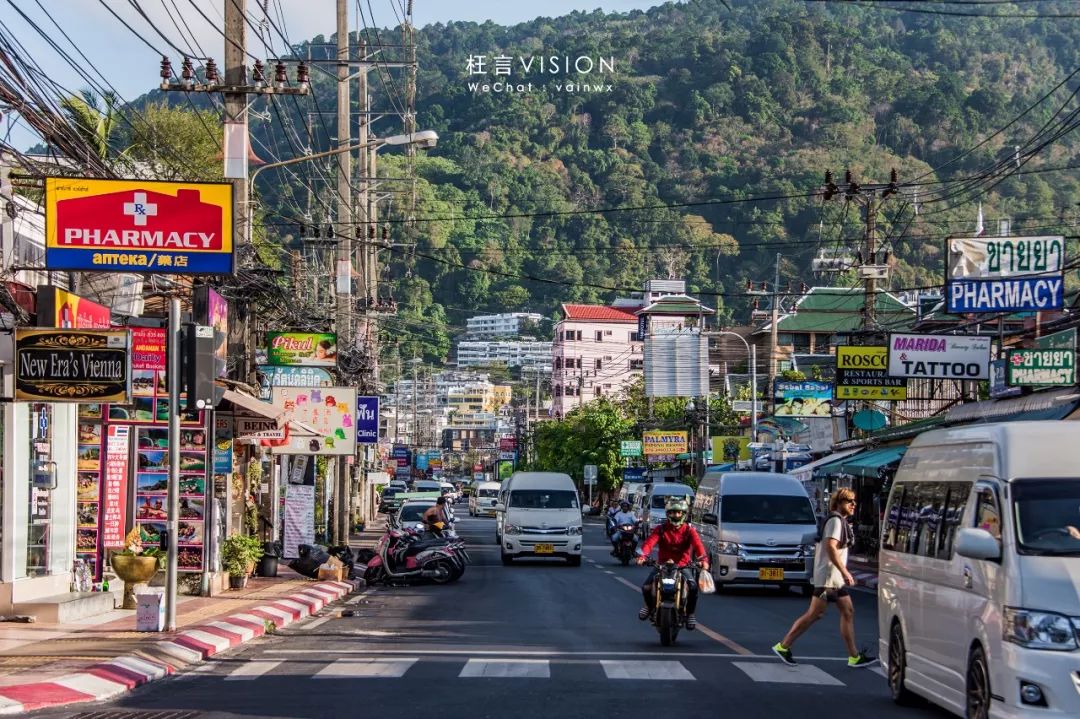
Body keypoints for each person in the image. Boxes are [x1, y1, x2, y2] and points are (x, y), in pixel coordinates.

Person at [772, 488, 877, 668]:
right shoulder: (835, 521)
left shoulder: (840, 521)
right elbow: (830, 547)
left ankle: (854, 656)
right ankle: (783, 646)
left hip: (834, 578)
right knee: (815, 614)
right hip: (828, 577)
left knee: (848, 611)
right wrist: (845, 572)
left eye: (854, 501)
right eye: (849, 501)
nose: (853, 504)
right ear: (838, 503)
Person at [636, 497, 709, 630]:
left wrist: (703, 560)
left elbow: (698, 546)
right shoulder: (661, 529)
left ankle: (690, 614)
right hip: (662, 566)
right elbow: (649, 543)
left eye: (678, 512)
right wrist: (642, 556)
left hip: (682, 566)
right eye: (672, 512)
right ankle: (649, 606)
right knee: (646, 587)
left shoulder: (689, 531)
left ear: (683, 514)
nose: (675, 515)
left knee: (693, 587)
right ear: (668, 513)